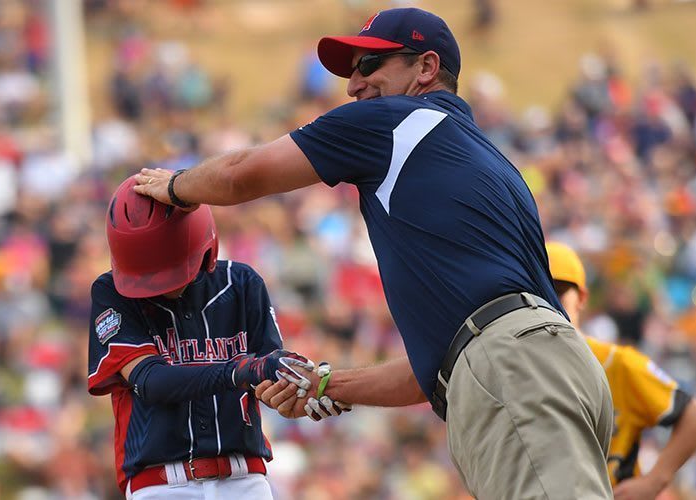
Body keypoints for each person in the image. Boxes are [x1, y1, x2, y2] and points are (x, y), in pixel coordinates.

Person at [133, 7, 614, 498]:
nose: (352, 86)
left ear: (426, 68)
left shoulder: (396, 120)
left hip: (515, 370)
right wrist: (325, 385)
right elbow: (435, 367)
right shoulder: (490, 158)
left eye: (369, 66)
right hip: (550, 366)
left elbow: (241, 174)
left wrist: (174, 185)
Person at [87, 175, 314, 499]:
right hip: (161, 484)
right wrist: (240, 371)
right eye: (147, 274)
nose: (158, 284)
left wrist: (302, 385)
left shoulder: (242, 283)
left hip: (244, 477)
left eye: (166, 271)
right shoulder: (111, 292)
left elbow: (267, 379)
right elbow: (151, 381)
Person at [545, 241, 696, 500]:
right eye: (540, 293)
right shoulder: (513, 370)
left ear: (581, 298)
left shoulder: (618, 362)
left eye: (558, 292)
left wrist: (653, 482)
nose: (549, 303)